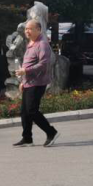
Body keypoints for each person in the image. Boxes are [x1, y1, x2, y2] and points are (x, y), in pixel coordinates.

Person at [12, 19, 59, 147]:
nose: (27, 31)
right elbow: (27, 63)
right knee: (24, 112)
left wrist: (25, 71)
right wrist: (23, 81)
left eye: (30, 29)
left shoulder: (42, 44)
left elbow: (43, 64)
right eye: (26, 29)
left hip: (38, 82)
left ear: (38, 30)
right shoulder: (31, 42)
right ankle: (27, 138)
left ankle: (51, 132)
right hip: (28, 82)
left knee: (32, 110)